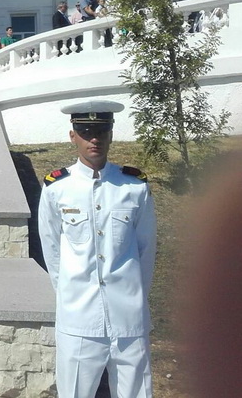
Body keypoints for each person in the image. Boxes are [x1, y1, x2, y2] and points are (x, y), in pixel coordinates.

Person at [37, 100, 156, 398]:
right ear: (72, 135)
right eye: (86, 130)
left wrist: (135, 298)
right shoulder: (56, 188)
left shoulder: (134, 187)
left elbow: (146, 251)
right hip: (78, 317)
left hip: (128, 316)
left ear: (111, 134)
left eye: (101, 131)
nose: (94, 138)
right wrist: (69, 295)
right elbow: (52, 252)